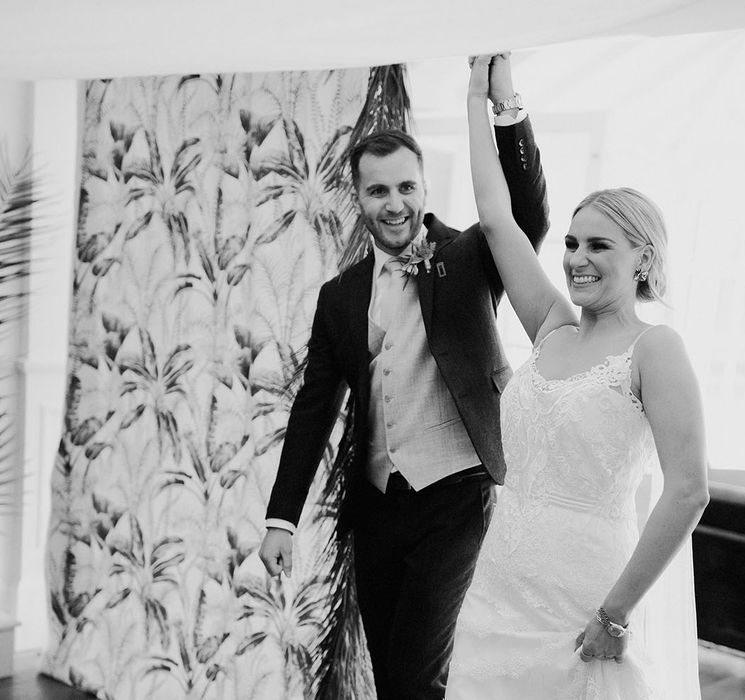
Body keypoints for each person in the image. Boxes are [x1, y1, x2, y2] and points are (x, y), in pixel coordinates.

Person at [258, 55, 549, 700]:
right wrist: (282, 518)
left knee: (417, 677)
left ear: (424, 186)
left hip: (455, 496)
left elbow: (526, 216)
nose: (394, 204)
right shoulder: (340, 297)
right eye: (377, 190)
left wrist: (504, 104)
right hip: (377, 503)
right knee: (395, 678)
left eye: (405, 187)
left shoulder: (471, 257)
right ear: (357, 197)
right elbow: (313, 408)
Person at [447, 54, 710, 700]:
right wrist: (483, 97)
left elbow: (688, 491)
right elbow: (496, 214)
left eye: (599, 246)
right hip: (499, 587)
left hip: (582, 603)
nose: (576, 259)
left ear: (644, 259)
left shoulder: (656, 349)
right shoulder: (553, 327)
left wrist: (616, 613)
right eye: (570, 243)